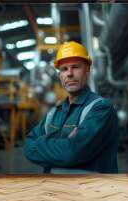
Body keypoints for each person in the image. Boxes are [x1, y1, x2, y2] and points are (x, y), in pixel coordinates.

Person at [24, 41, 118, 173]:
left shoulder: (101, 109)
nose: (69, 74)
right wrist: (65, 144)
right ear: (59, 76)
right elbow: (28, 146)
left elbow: (72, 153)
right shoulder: (54, 113)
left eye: (75, 67)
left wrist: (41, 143)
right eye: (64, 69)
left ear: (87, 70)